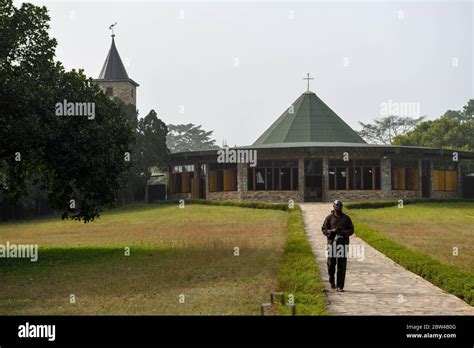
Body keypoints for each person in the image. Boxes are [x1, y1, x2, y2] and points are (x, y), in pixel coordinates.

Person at [321, 200, 354, 292]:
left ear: (342, 207)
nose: (338, 207)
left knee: (341, 266)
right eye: (336, 205)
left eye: (340, 205)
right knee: (331, 264)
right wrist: (331, 231)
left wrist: (343, 233)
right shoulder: (329, 218)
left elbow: (351, 230)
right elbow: (324, 229)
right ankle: (332, 281)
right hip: (332, 244)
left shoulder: (346, 218)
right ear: (333, 206)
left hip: (342, 245)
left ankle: (340, 286)